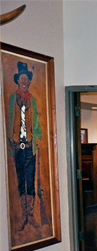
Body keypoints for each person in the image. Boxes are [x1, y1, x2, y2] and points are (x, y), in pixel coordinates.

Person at [8, 61, 42, 231]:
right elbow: (8, 122)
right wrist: (9, 145)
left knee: (30, 179)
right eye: (22, 78)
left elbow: (36, 122)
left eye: (27, 79)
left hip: (29, 145)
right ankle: (24, 214)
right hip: (17, 145)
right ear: (18, 80)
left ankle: (31, 213)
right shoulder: (13, 99)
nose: (24, 81)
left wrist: (38, 137)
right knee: (21, 180)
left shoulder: (32, 100)